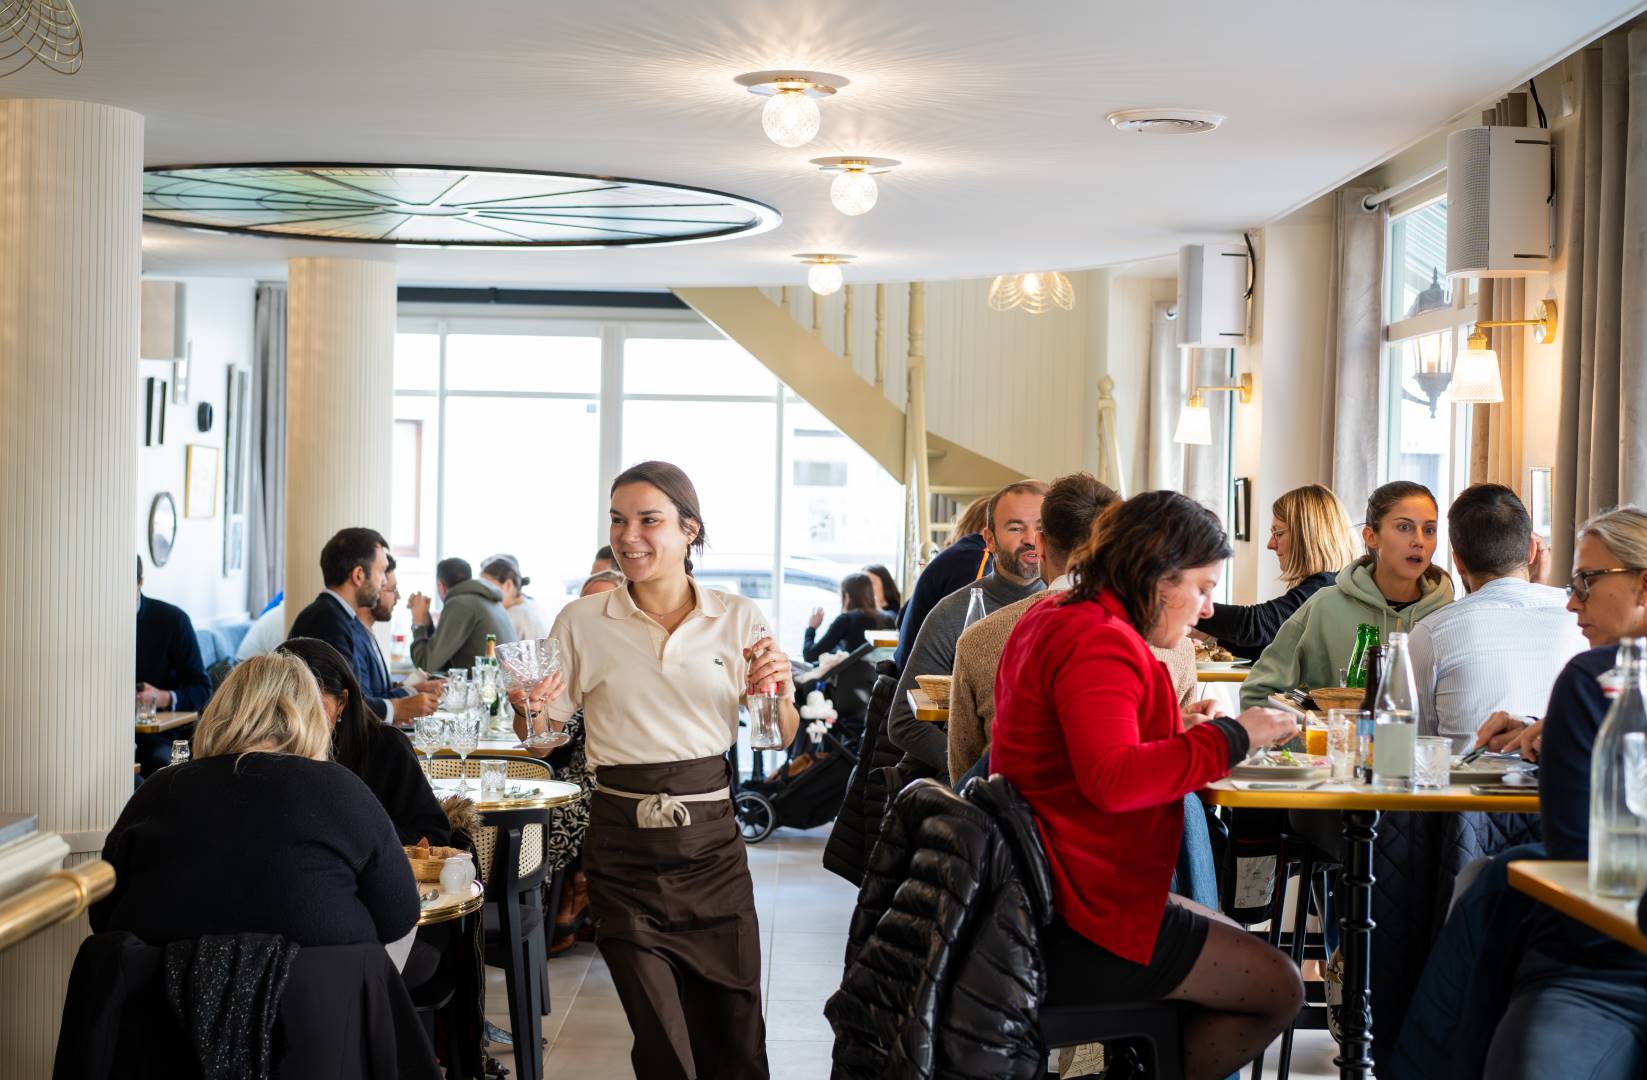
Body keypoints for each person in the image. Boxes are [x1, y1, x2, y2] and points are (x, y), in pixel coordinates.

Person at [992, 490, 1302, 1080]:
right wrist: (1235, 736)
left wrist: (1172, 727)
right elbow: (1113, 781)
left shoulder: (1057, 616)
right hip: (1074, 915)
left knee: (1234, 944)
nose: (1208, 609)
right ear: (1158, 577)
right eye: (1204, 587)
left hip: (1040, 892)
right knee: (1276, 985)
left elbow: (1079, 743)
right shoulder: (1101, 640)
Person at [521, 461, 797, 1079]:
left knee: (735, 1028)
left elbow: (777, 733)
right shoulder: (582, 621)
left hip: (712, 849)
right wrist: (530, 712)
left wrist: (777, 692)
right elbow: (543, 737)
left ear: (690, 530)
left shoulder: (737, 616)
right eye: (618, 521)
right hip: (622, 848)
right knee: (660, 1037)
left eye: (649, 520)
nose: (629, 536)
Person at [1477, 505, 1647, 1078]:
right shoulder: (1595, 685)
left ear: (1644, 584)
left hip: (1605, 966)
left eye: (1586, 582)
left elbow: (1579, 854)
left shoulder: (1592, 679)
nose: (1571, 602)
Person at [92, 653, 419, 947]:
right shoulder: (341, 790)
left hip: (161, 1009)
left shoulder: (159, 789)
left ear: (221, 710)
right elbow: (399, 915)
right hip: (318, 1009)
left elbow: (103, 913)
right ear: (311, 717)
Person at [1242, 481, 1455, 709]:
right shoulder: (1324, 606)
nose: (1419, 541)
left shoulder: (1448, 617)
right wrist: (1310, 734)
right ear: (1371, 536)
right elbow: (1257, 694)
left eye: (1429, 530)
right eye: (1404, 527)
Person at [1406, 484, 1588, 751]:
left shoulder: (1430, 634)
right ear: (1532, 551)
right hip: (1562, 784)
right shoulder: (1579, 616)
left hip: (1462, 789)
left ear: (1458, 563)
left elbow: (1417, 744)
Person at [885, 481, 1048, 774]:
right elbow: (903, 722)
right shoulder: (954, 612)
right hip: (972, 795)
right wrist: (971, 771)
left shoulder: (1068, 609)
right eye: (1015, 528)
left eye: (1039, 527)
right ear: (990, 539)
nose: (1030, 539)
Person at [277, 637, 450, 846]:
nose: (301, 718)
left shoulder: (386, 748)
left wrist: (359, 829)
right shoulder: (264, 752)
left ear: (342, 701)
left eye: (315, 706)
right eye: (288, 707)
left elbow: (434, 838)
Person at [288, 528, 437, 724]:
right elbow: (340, 705)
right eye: (382, 571)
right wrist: (400, 707)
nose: (384, 580)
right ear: (358, 575)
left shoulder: (337, 616)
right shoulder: (328, 621)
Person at [1195, 483, 1358, 660]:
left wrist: (1189, 608)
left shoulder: (1324, 589)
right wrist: (1207, 635)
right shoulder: (1332, 584)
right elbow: (1270, 650)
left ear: (1307, 537)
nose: (1270, 544)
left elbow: (1253, 624)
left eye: (1278, 533)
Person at [891, 495, 998, 672]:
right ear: (988, 531)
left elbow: (901, 617)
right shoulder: (975, 558)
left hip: (908, 674)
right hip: (928, 684)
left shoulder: (952, 555)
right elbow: (970, 632)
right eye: (1014, 528)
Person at [134, 557, 211, 775]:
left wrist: (162, 697)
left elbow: (202, 691)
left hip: (156, 737)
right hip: (101, 735)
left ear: (140, 582)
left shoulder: (172, 621)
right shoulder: (92, 623)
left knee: (161, 766)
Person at [408, 557, 516, 675]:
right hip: (502, 687)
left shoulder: (460, 604)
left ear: (441, 586)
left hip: (488, 689)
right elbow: (440, 660)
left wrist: (417, 623)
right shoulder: (487, 601)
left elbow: (426, 665)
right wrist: (426, 620)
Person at [803, 573, 895, 662]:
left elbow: (810, 656)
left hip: (848, 676)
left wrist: (811, 628)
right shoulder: (890, 618)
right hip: (878, 675)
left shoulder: (846, 620)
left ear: (846, 596)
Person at [481, 554, 550, 641]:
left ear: (508, 585)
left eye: (488, 586)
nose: (483, 593)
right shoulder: (532, 605)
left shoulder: (512, 616)